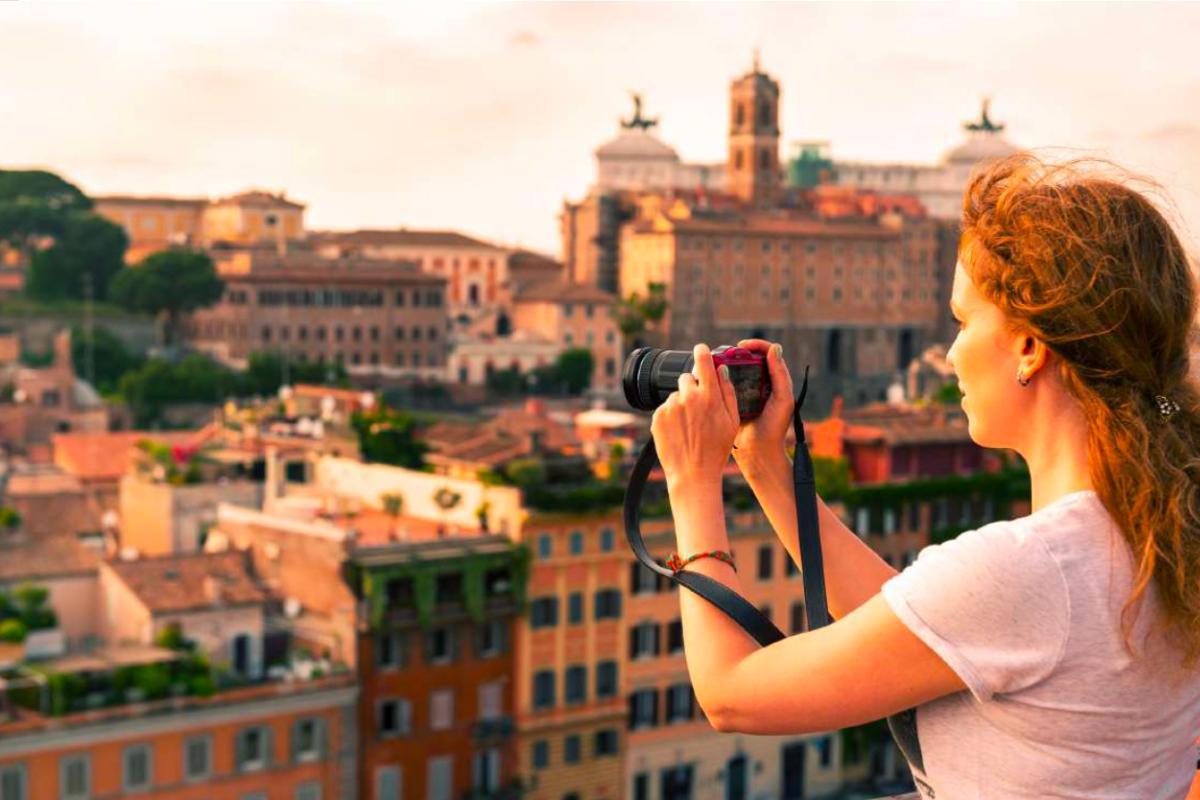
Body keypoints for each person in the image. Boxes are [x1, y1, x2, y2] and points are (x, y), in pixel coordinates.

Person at [649, 153, 1200, 799]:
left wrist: (691, 483)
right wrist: (767, 466)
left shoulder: (1033, 569)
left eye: (964, 322)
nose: (951, 352)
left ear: (1029, 347)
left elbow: (733, 698)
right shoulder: (1157, 528)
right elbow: (922, 620)